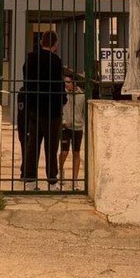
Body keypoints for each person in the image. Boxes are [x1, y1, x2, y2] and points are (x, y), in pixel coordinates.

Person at [22, 30, 66, 191]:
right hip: (52, 109)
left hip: (34, 107)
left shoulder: (31, 58)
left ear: (41, 42)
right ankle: (52, 181)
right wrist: (63, 100)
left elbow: (26, 81)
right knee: (51, 146)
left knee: (33, 144)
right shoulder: (56, 61)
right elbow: (58, 84)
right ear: (55, 45)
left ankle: (30, 180)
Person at [59, 72, 85, 189]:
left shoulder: (82, 95)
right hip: (65, 126)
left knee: (76, 152)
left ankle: (75, 180)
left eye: (68, 82)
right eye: (65, 82)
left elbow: (84, 112)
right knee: (64, 152)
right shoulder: (63, 94)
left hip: (78, 127)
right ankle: (61, 171)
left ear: (74, 83)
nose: (66, 84)